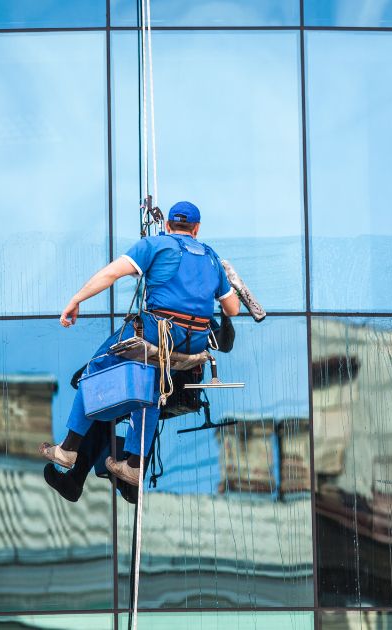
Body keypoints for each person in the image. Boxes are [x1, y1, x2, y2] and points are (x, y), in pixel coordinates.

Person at [39, 201, 241, 487]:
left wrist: (76, 300)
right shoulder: (211, 257)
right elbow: (231, 309)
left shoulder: (156, 245)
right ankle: (134, 464)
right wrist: (230, 285)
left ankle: (69, 449)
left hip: (158, 333)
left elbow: (111, 274)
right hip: (191, 345)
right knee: (151, 390)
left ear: (168, 226)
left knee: (94, 371)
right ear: (196, 229)